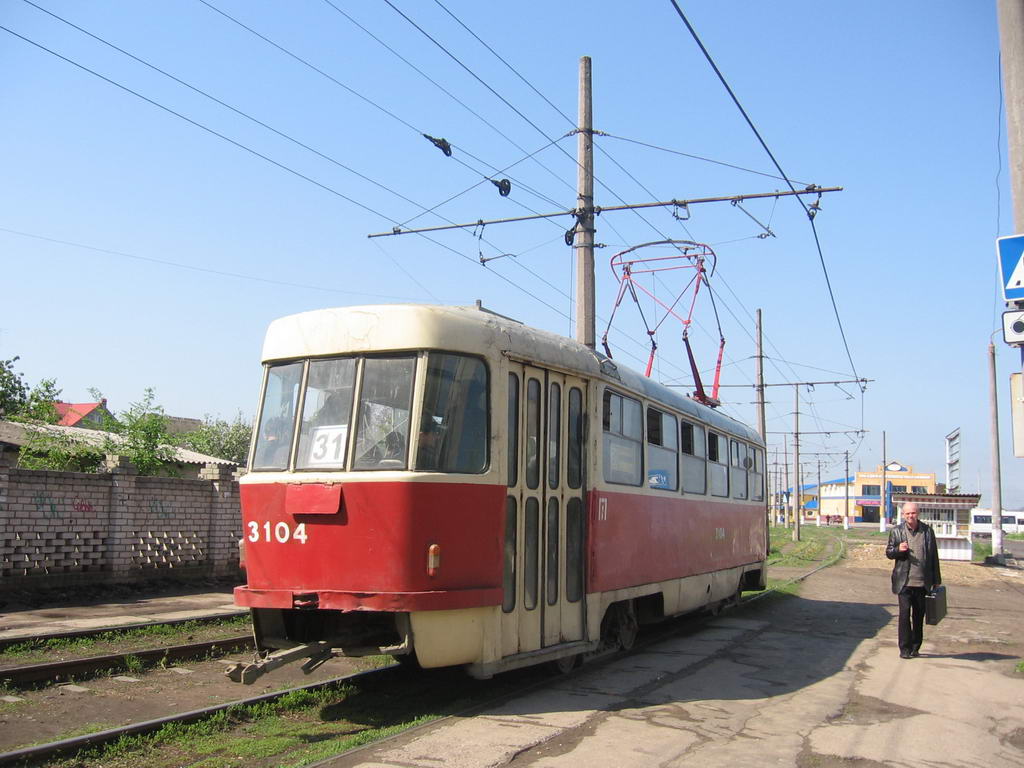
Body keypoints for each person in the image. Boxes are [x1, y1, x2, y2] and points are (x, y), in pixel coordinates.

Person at [885, 502, 942, 659]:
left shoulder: (927, 532)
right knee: (904, 615)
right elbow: (889, 553)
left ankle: (915, 647)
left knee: (918, 616)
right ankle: (904, 649)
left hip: (923, 582)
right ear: (903, 515)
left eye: (913, 513)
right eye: (907, 514)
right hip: (904, 582)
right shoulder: (897, 531)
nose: (910, 516)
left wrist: (937, 579)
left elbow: (933, 557)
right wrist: (898, 550)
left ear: (918, 514)